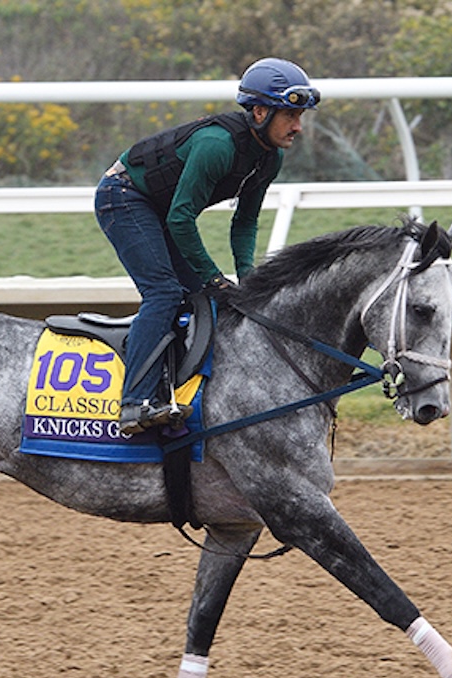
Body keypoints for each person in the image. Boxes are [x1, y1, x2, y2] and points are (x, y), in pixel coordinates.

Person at [95, 57, 319, 435]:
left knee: (205, 299)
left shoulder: (270, 158)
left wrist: (249, 282)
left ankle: (182, 394)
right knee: (164, 293)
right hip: (123, 197)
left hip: (160, 208)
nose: (298, 126)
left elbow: (245, 222)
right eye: (290, 115)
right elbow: (181, 219)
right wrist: (215, 277)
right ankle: (134, 403)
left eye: (300, 116)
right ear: (260, 112)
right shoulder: (216, 146)